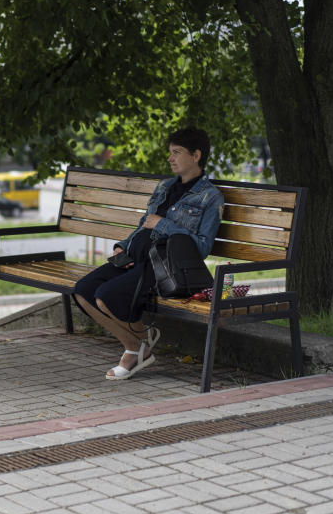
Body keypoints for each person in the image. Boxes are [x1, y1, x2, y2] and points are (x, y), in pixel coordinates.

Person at [72, 126, 223, 381]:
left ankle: (135, 349)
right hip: (134, 257)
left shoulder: (211, 198)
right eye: (170, 152)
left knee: (104, 296)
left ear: (196, 156)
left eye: (177, 152)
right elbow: (143, 224)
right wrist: (124, 245)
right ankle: (140, 342)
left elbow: (202, 248)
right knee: (82, 290)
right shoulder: (164, 187)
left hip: (163, 267)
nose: (170, 158)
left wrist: (163, 224)